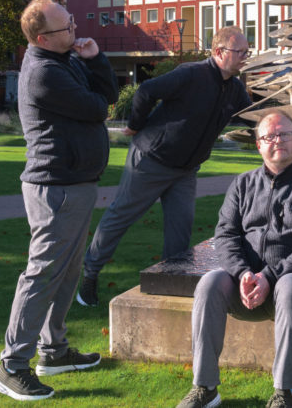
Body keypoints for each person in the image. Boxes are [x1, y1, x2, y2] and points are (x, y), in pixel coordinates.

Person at [0, 0, 119, 401]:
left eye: (73, 22)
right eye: (67, 27)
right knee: (43, 273)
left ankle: (55, 350)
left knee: (66, 270)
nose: (75, 30)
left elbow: (108, 93)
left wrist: (95, 60)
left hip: (75, 182)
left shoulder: (67, 61)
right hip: (56, 187)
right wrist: (93, 85)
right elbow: (98, 108)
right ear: (42, 37)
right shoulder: (45, 73)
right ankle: (11, 365)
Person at [77, 26, 252, 307]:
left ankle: (172, 284)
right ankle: (88, 276)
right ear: (219, 52)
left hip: (185, 171)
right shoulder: (191, 73)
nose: (245, 56)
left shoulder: (235, 89)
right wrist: (135, 125)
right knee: (119, 218)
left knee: (180, 230)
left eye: (247, 51)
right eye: (240, 52)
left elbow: (251, 118)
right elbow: (145, 91)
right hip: (150, 161)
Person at [176, 110, 292, 408]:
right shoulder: (242, 185)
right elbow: (225, 235)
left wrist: (269, 276)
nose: (279, 141)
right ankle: (205, 388)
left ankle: (285, 393)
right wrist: (243, 273)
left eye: (285, 134)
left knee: (289, 286)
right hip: (246, 286)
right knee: (210, 282)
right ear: (259, 145)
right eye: (270, 136)